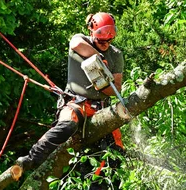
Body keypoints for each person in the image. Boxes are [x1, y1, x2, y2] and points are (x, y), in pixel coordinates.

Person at [16, 12, 124, 171]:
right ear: (92, 31)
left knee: (116, 149)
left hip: (101, 108)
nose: (106, 43)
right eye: (101, 40)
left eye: (109, 40)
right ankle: (32, 158)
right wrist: (99, 59)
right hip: (76, 102)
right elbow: (76, 44)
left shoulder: (116, 54)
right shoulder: (80, 40)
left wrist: (102, 85)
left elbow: (117, 88)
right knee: (67, 125)